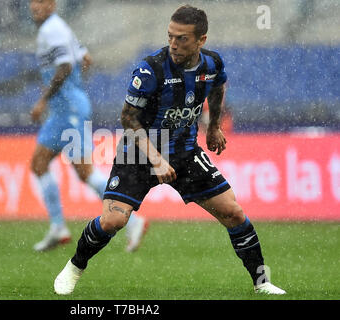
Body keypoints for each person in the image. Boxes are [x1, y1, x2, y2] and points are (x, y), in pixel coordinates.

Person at [54, 5, 286, 295]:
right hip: (138, 154)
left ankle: (262, 282)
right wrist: (156, 160)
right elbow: (127, 118)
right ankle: (75, 266)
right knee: (114, 220)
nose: (173, 44)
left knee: (234, 213)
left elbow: (217, 88)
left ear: (201, 40)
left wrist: (213, 126)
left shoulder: (212, 64)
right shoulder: (151, 70)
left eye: (182, 39)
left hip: (185, 152)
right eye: (170, 37)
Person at [29, 0, 148, 252]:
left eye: (40, 1)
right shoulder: (60, 28)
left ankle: (132, 220)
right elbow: (87, 59)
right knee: (39, 164)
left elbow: (66, 65)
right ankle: (58, 227)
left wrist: (46, 98)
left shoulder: (52, 30)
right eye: (32, 2)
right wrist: (72, 90)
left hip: (68, 111)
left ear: (52, 4)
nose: (34, 7)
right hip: (64, 110)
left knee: (85, 172)